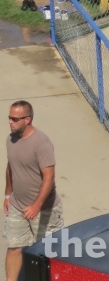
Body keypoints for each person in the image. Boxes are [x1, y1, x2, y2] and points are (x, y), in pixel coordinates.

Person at [5, 100, 64, 281]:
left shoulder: (41, 143)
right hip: (17, 206)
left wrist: (37, 205)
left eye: (15, 119)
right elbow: (11, 167)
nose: (10, 122)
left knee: (47, 252)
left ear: (27, 119)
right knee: (14, 247)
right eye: (9, 118)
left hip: (44, 209)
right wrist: (8, 194)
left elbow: (49, 177)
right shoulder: (11, 139)